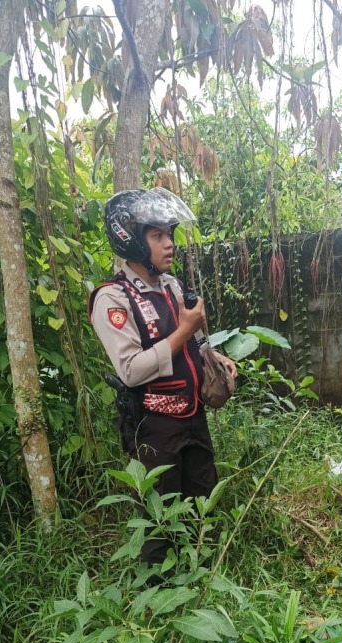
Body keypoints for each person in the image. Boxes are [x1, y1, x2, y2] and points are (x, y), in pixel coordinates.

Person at [89, 187, 236, 565]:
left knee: (202, 504)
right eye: (158, 236)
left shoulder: (172, 286)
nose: (169, 244)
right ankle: (159, 599)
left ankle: (201, 577)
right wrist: (184, 333)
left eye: (169, 234)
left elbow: (196, 343)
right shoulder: (112, 299)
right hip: (154, 426)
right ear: (133, 241)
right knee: (159, 518)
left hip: (193, 416)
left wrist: (213, 355)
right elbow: (131, 369)